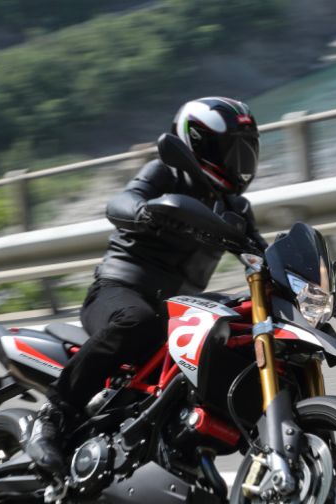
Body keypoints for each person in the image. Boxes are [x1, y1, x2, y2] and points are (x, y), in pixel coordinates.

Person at [24, 96, 262, 476]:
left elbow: (258, 254)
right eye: (230, 149)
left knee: (234, 328)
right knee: (137, 321)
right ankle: (52, 415)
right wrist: (144, 211)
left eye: (245, 151)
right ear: (198, 143)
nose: (239, 161)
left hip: (173, 310)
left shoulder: (236, 209)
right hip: (118, 291)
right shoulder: (166, 174)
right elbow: (121, 201)